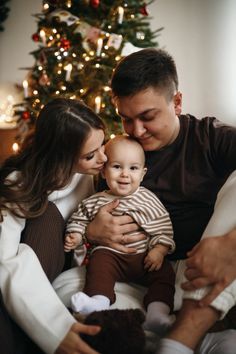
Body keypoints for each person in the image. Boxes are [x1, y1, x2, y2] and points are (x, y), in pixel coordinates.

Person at [80, 48, 236, 353]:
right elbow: (88, 209)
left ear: (176, 102)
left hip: (205, 266)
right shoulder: (118, 155)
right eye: (126, 119)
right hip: (138, 272)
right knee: (71, 296)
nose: (137, 131)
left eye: (147, 117)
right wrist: (90, 232)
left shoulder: (213, 138)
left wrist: (232, 241)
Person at [0, 98, 142, 354]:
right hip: (36, 263)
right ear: (61, 157)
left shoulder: (87, 176)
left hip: (74, 258)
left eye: (103, 145)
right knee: (43, 219)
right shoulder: (18, 184)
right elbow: (4, 261)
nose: (103, 159)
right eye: (90, 155)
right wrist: (54, 327)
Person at [64, 135, 176, 335]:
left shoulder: (147, 199)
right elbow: (79, 219)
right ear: (104, 172)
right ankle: (97, 302)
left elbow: (163, 227)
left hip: (144, 257)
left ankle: (157, 313)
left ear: (142, 174)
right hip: (111, 256)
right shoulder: (95, 201)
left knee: (165, 273)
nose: (125, 174)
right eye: (117, 167)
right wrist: (76, 234)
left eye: (133, 168)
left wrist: (159, 250)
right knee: (98, 264)